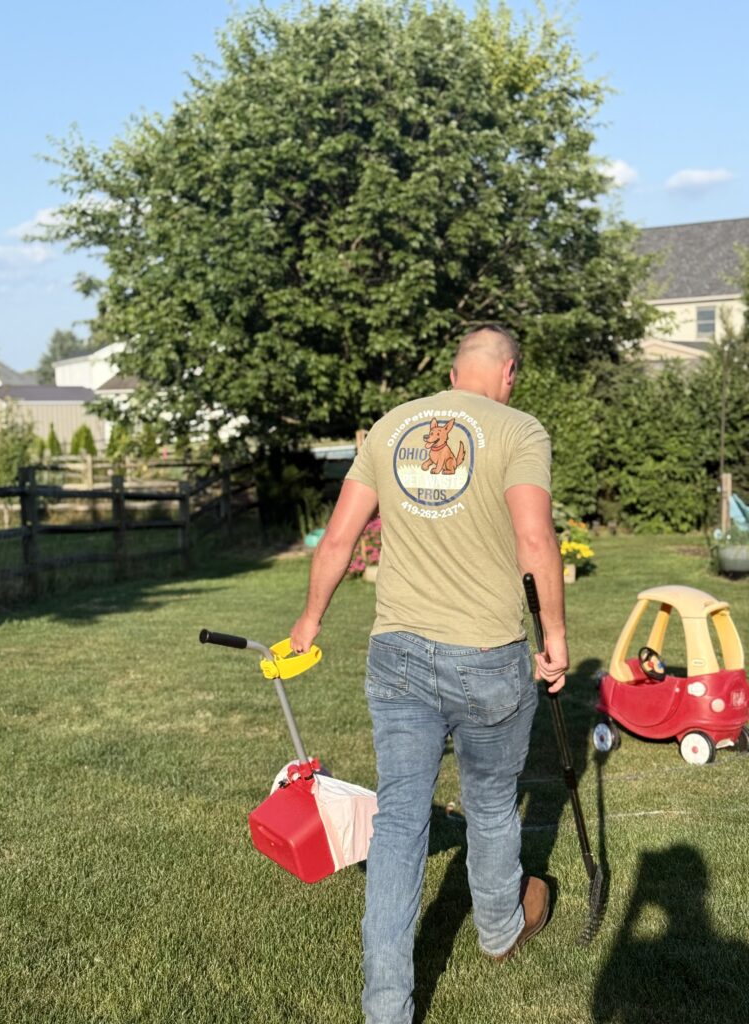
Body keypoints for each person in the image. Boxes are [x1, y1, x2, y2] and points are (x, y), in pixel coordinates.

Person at [290, 324, 568, 1024]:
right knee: (492, 803)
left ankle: (386, 1009)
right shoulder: (518, 429)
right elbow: (535, 538)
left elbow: (339, 536)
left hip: (398, 654)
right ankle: (500, 930)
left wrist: (309, 621)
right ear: (509, 373)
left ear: (452, 373)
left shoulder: (392, 426)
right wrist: (557, 639)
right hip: (487, 655)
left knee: (400, 821)